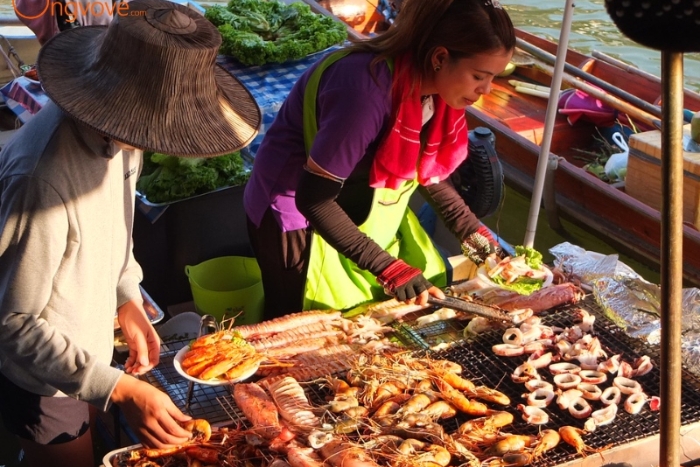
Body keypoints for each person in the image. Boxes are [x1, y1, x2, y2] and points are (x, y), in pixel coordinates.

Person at [0, 1, 260, 466]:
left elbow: (116, 230)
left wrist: (125, 295)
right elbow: (12, 322)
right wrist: (116, 387)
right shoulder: (40, 180)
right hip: (39, 377)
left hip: (85, 352)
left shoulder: (121, 137)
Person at [244, 0, 514, 319]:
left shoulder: (433, 91)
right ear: (440, 57)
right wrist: (388, 268)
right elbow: (314, 200)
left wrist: (472, 232)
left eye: (492, 78)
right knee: (298, 323)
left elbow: (426, 169)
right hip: (293, 214)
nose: (486, 89)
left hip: (358, 198)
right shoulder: (364, 93)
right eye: (479, 76)